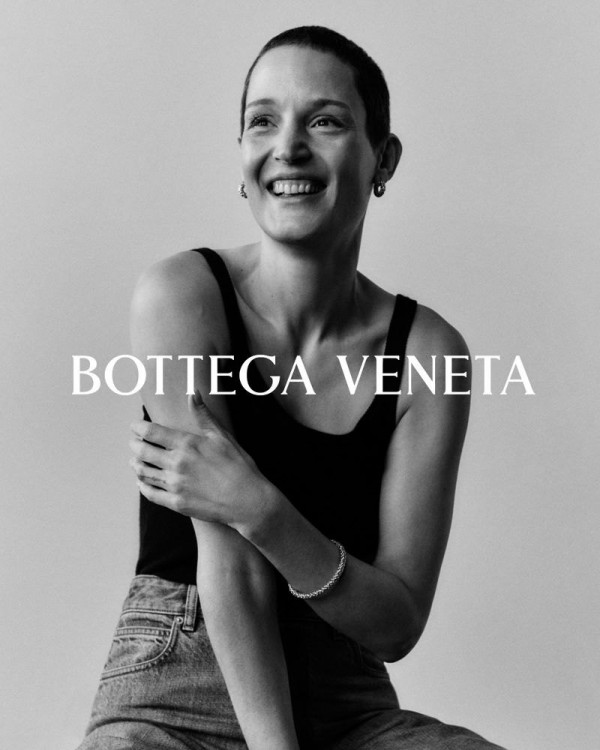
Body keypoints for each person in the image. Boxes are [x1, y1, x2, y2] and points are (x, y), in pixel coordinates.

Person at [78, 26, 506, 750]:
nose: (289, 147)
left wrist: (261, 507)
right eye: (263, 121)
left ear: (383, 159)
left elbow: (397, 623)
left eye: (326, 121)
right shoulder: (182, 295)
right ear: (243, 160)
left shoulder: (429, 353)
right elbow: (230, 565)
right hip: (173, 694)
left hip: (350, 709)